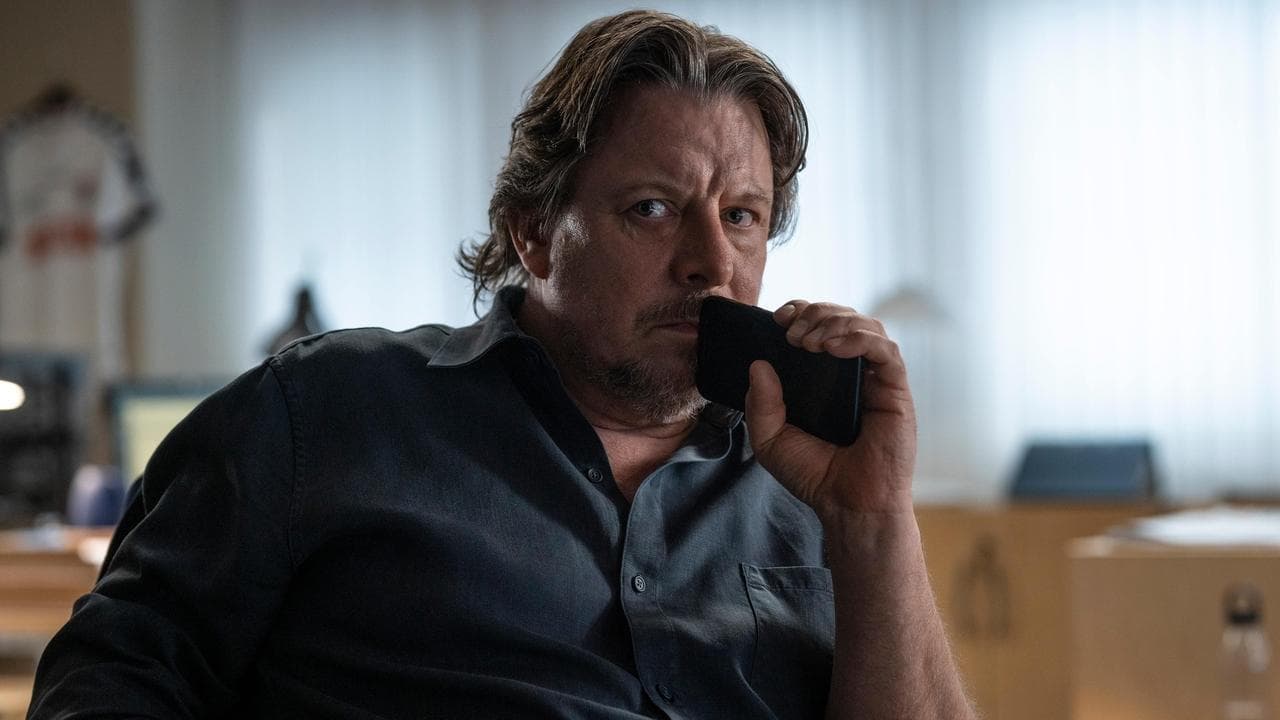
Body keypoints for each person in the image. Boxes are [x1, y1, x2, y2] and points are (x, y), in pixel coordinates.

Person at [28, 10, 974, 720]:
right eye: (652, 209)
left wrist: (874, 526)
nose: (712, 262)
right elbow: (111, 677)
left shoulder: (810, 488)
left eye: (742, 216)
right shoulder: (323, 413)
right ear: (534, 234)